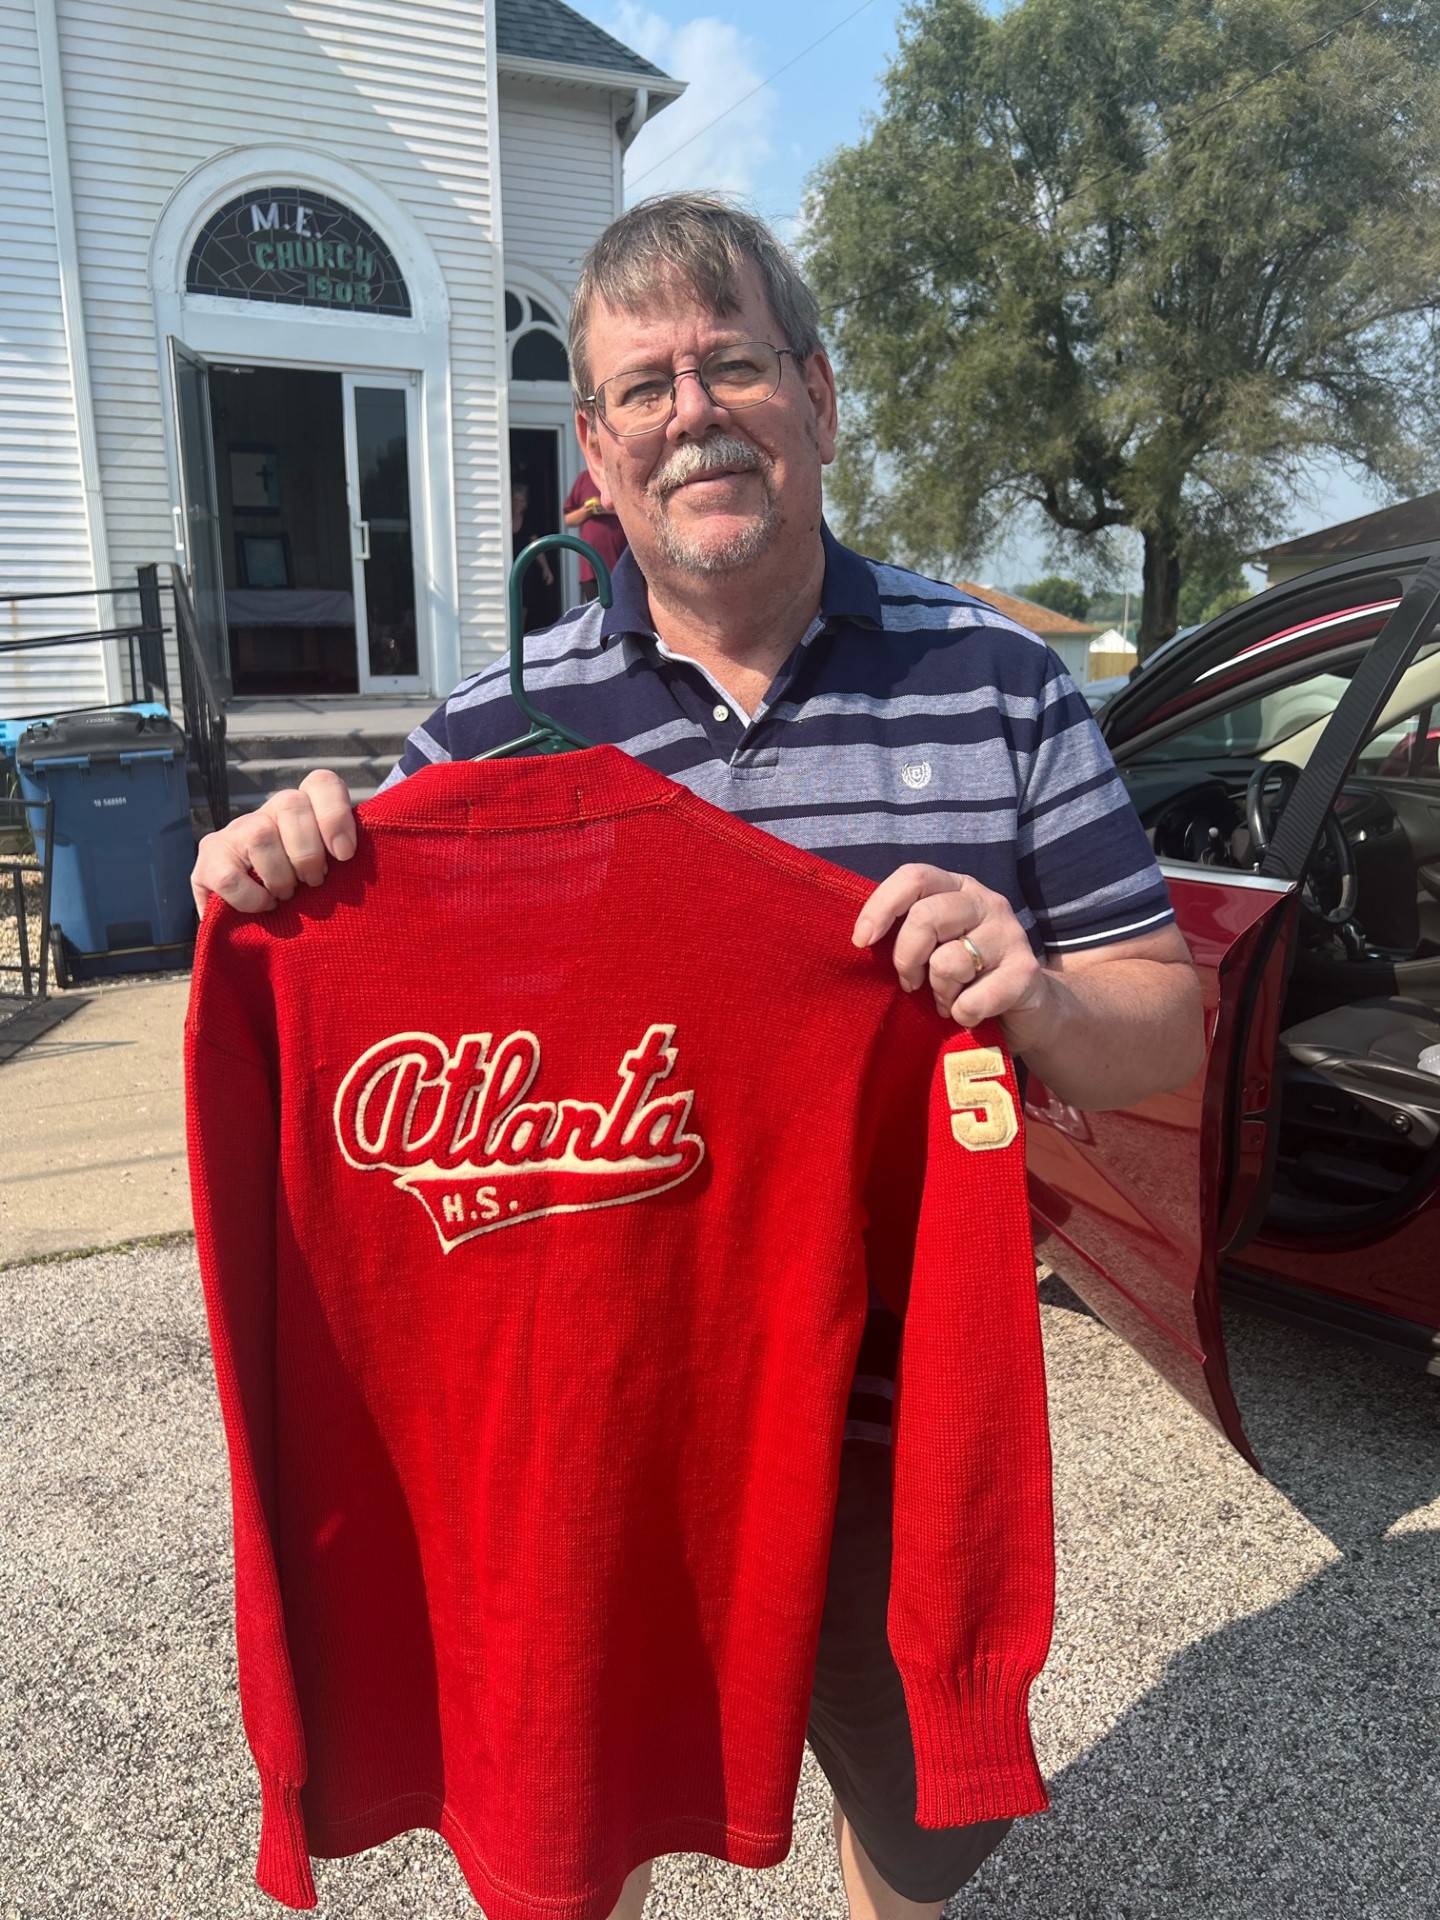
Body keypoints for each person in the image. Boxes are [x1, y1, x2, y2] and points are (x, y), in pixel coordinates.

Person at [191, 193, 1204, 1920]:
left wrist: (1031, 997)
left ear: (817, 395)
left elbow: (1163, 1024)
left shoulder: (1004, 690)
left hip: (896, 1427)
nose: (691, 412)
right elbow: (367, 987)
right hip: (611, 1426)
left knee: (915, 1847)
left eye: (729, 364)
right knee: (577, 1843)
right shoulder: (492, 734)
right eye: (644, 387)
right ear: (593, 447)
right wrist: (279, 890)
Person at [563, 463, 629, 600]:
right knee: (595, 616)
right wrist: (588, 510)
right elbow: (568, 520)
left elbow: (635, 512)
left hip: (621, 565)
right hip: (590, 568)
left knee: (619, 615)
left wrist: (607, 508)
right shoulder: (584, 478)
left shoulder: (622, 476)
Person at [511, 479, 555, 631]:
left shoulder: (528, 520)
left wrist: (546, 569)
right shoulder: (503, 518)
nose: (518, 503)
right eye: (515, 500)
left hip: (525, 571)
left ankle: (520, 639)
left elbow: (535, 546)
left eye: (521, 500)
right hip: (508, 568)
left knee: (523, 606)